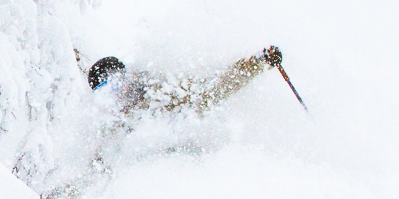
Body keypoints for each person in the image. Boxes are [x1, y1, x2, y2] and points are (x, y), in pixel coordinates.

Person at [86, 46, 287, 117]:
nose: (116, 93)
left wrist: (258, 61)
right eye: (106, 91)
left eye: (116, 84)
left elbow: (217, 86)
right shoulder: (113, 124)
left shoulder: (160, 88)